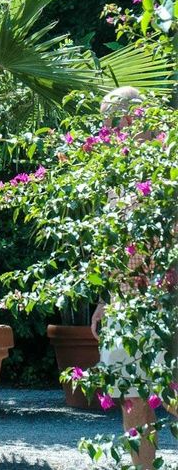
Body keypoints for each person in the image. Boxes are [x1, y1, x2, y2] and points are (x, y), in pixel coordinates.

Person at [90, 86, 175, 470]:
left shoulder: (168, 165)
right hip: (125, 308)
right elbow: (115, 246)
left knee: (172, 393)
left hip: (166, 304)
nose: (103, 129)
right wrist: (106, 301)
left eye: (108, 119)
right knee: (131, 397)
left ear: (127, 118)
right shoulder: (114, 174)